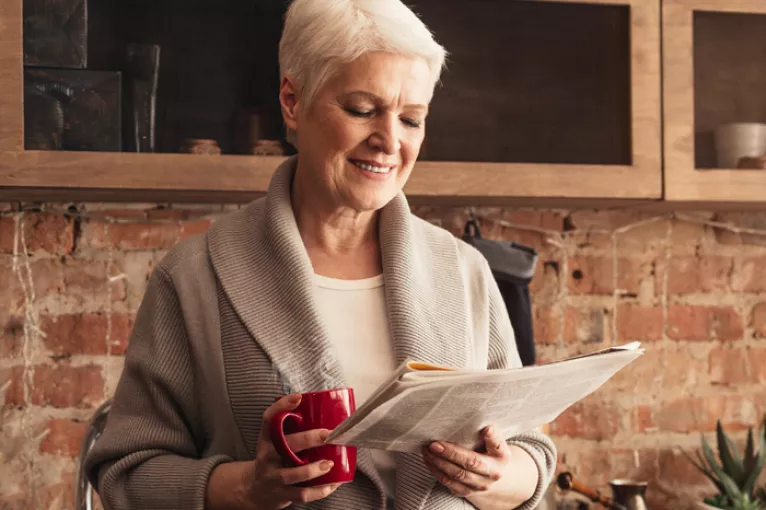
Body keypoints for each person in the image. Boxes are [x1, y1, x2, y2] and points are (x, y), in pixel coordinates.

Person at [84, 0, 557, 508]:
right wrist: (249, 486)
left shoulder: (462, 270)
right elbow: (126, 475)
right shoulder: (193, 278)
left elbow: (531, 450)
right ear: (292, 100)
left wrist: (500, 476)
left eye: (412, 119)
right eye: (362, 110)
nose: (389, 141)